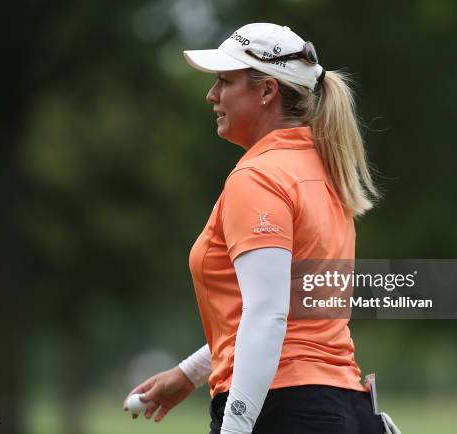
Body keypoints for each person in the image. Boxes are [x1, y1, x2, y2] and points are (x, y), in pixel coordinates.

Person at [123, 22, 391, 434]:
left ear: (267, 91)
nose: (212, 96)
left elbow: (267, 315)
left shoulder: (259, 177)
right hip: (343, 406)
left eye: (224, 82)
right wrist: (191, 373)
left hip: (281, 410)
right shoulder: (322, 172)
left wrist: (235, 427)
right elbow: (278, 311)